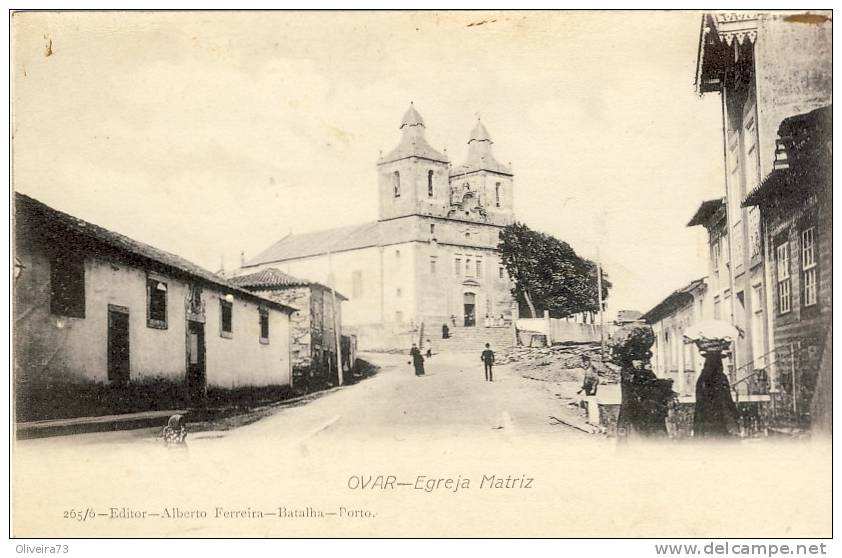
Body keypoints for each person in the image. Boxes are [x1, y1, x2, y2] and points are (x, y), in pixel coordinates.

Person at [694, 351, 739, 439]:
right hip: (716, 416)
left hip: (709, 417)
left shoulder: (703, 378)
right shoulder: (719, 378)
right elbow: (726, 399)